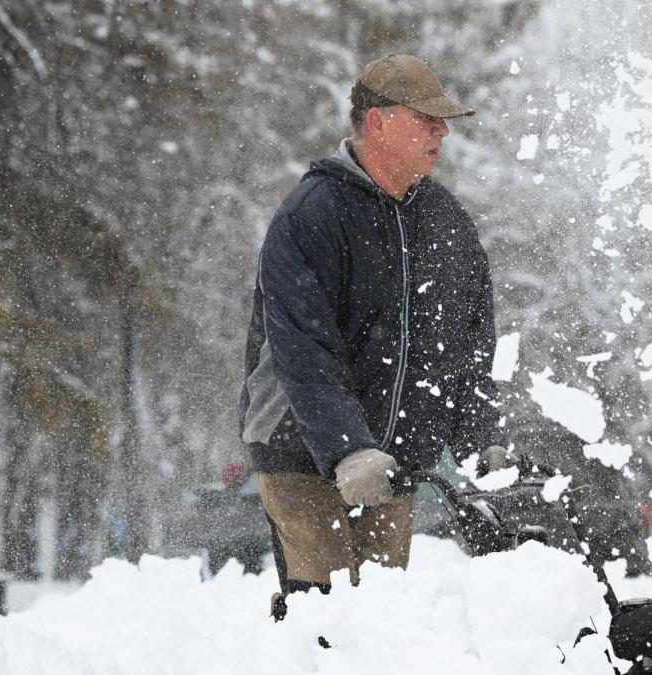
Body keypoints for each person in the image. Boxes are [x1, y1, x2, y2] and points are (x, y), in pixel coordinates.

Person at [238, 54, 509, 616]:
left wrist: (479, 434)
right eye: (426, 119)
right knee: (328, 607)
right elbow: (303, 351)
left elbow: (470, 340)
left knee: (383, 614)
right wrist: (348, 448)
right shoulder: (313, 213)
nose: (443, 131)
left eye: (443, 120)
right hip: (300, 448)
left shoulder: (445, 220)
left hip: (393, 462)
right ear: (379, 122)